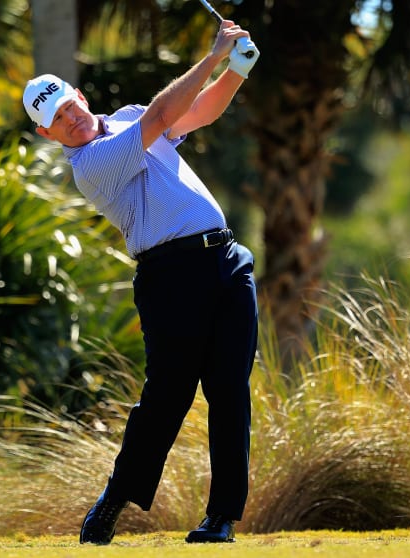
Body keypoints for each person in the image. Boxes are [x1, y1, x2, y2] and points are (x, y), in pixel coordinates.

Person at [21, 19, 260, 545]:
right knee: (168, 397)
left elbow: (196, 113)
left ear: (81, 96)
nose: (70, 119)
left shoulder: (125, 117)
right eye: (57, 120)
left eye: (69, 105)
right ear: (48, 135)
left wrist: (236, 72)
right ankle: (115, 498)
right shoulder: (90, 165)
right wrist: (215, 54)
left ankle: (221, 518)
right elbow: (161, 115)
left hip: (226, 259)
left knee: (229, 391)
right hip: (171, 276)